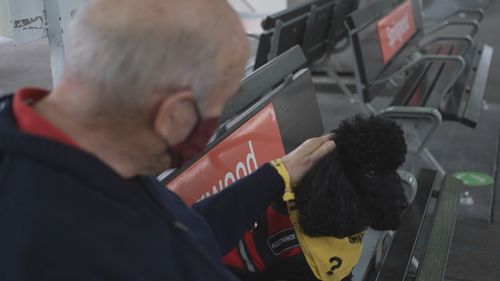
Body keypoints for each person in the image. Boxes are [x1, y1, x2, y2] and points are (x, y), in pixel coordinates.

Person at [0, 0, 335, 280]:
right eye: (222, 101)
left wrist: (277, 175)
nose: (218, 115)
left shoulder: (95, 153)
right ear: (174, 116)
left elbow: (179, 233)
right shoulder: (60, 250)